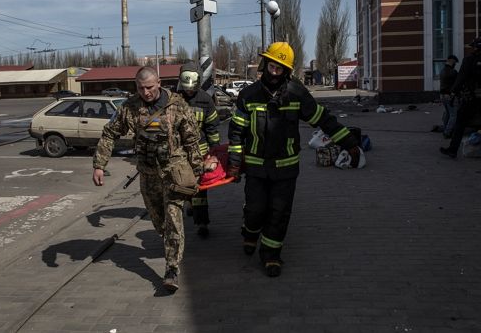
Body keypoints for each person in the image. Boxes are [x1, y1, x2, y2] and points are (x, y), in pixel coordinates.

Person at [227, 42, 366, 278]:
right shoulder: (248, 96)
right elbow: (236, 131)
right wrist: (234, 162)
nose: (273, 73)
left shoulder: (297, 93)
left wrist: (350, 144)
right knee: (255, 210)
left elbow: (324, 120)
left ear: (287, 71)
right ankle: (250, 233)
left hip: (286, 169)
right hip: (256, 169)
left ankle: (271, 255)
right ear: (264, 65)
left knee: (279, 213)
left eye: (279, 69)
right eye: (271, 66)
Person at [92, 66, 203, 292]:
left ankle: (171, 269)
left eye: (150, 87)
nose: (146, 92)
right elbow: (109, 133)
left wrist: (198, 171)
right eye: (141, 88)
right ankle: (171, 242)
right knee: (159, 220)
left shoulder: (177, 105)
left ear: (159, 82)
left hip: (173, 172)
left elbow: (191, 139)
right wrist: (99, 165)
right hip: (147, 173)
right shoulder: (129, 108)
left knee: (173, 217)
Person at [440, 37, 481, 164]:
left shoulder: (470, 59)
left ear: (475, 47)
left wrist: (453, 93)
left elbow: (461, 78)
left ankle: (452, 150)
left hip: (472, 98)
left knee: (460, 124)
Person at [177, 62, 220, 238]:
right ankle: (189, 205)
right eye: (186, 88)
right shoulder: (175, 99)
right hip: (178, 153)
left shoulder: (205, 100)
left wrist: (215, 151)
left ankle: (202, 223)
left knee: (200, 189)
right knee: (182, 186)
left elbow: (212, 128)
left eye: (192, 88)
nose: (189, 92)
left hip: (199, 153)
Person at [439, 55, 459, 138]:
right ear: (451, 61)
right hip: (450, 96)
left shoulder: (442, 71)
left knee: (447, 113)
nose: (455, 64)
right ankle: (447, 132)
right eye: (454, 62)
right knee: (453, 115)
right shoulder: (453, 72)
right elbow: (457, 84)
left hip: (442, 95)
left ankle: (445, 129)